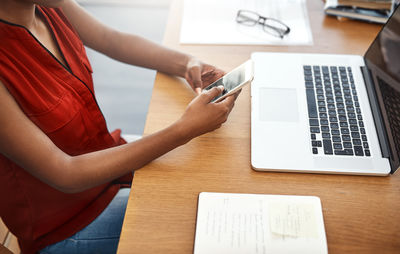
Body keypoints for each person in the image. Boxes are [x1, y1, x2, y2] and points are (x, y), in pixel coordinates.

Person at [0, 0, 239, 253]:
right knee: (201, 218)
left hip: (109, 176)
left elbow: (111, 39)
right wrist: (183, 130)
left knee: (209, 182)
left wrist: (189, 64)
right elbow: (65, 173)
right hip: (68, 226)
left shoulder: (49, 6)